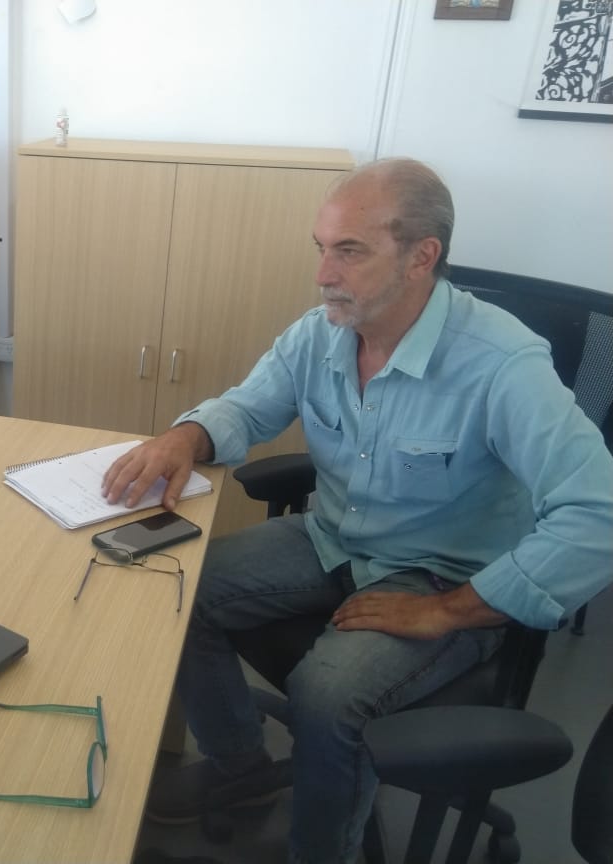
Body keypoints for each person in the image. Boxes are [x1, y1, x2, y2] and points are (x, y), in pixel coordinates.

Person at [101, 158, 613, 863]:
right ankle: (241, 769)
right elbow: (249, 405)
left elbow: (598, 513)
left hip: (444, 576)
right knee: (176, 586)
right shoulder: (321, 333)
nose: (323, 274)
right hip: (334, 539)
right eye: (321, 247)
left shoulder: (502, 364)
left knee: (327, 693)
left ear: (421, 257)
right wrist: (185, 436)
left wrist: (452, 610)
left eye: (349, 251)